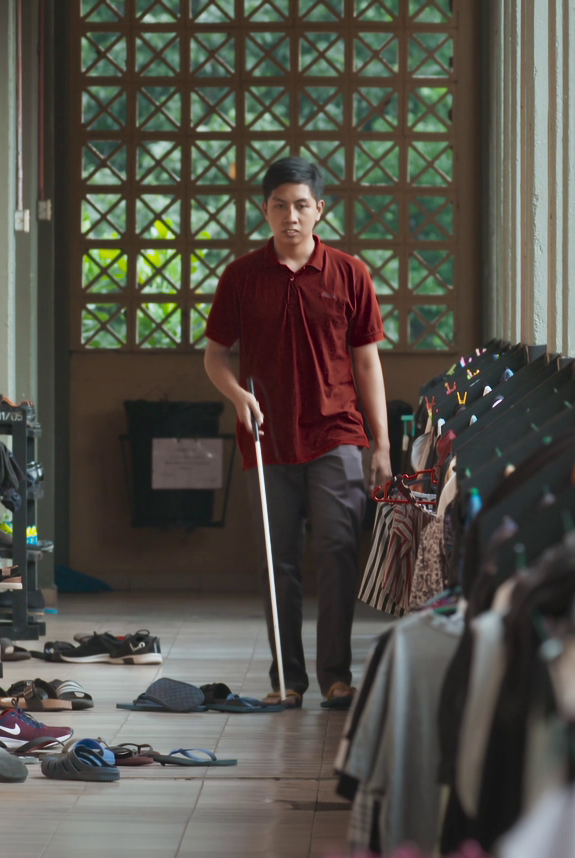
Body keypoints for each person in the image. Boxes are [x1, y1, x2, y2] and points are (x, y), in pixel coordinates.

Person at [203, 156, 392, 710]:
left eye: (302, 205)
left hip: (337, 433)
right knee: (277, 557)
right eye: (280, 205)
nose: (291, 216)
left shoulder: (350, 273)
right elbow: (216, 357)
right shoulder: (240, 276)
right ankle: (287, 680)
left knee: (337, 548)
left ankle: (337, 675)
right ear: (265, 210)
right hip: (267, 437)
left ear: (320, 210)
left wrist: (380, 444)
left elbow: (367, 364)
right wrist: (239, 397)